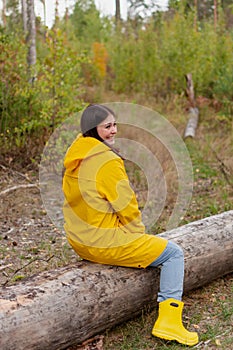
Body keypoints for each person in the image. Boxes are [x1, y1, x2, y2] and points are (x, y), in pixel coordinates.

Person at [62, 104, 199, 346]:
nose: (114, 130)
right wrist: (136, 236)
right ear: (92, 130)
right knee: (173, 254)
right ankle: (169, 323)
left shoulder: (75, 156)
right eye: (107, 127)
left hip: (79, 241)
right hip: (102, 243)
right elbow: (126, 206)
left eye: (115, 125)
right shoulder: (106, 161)